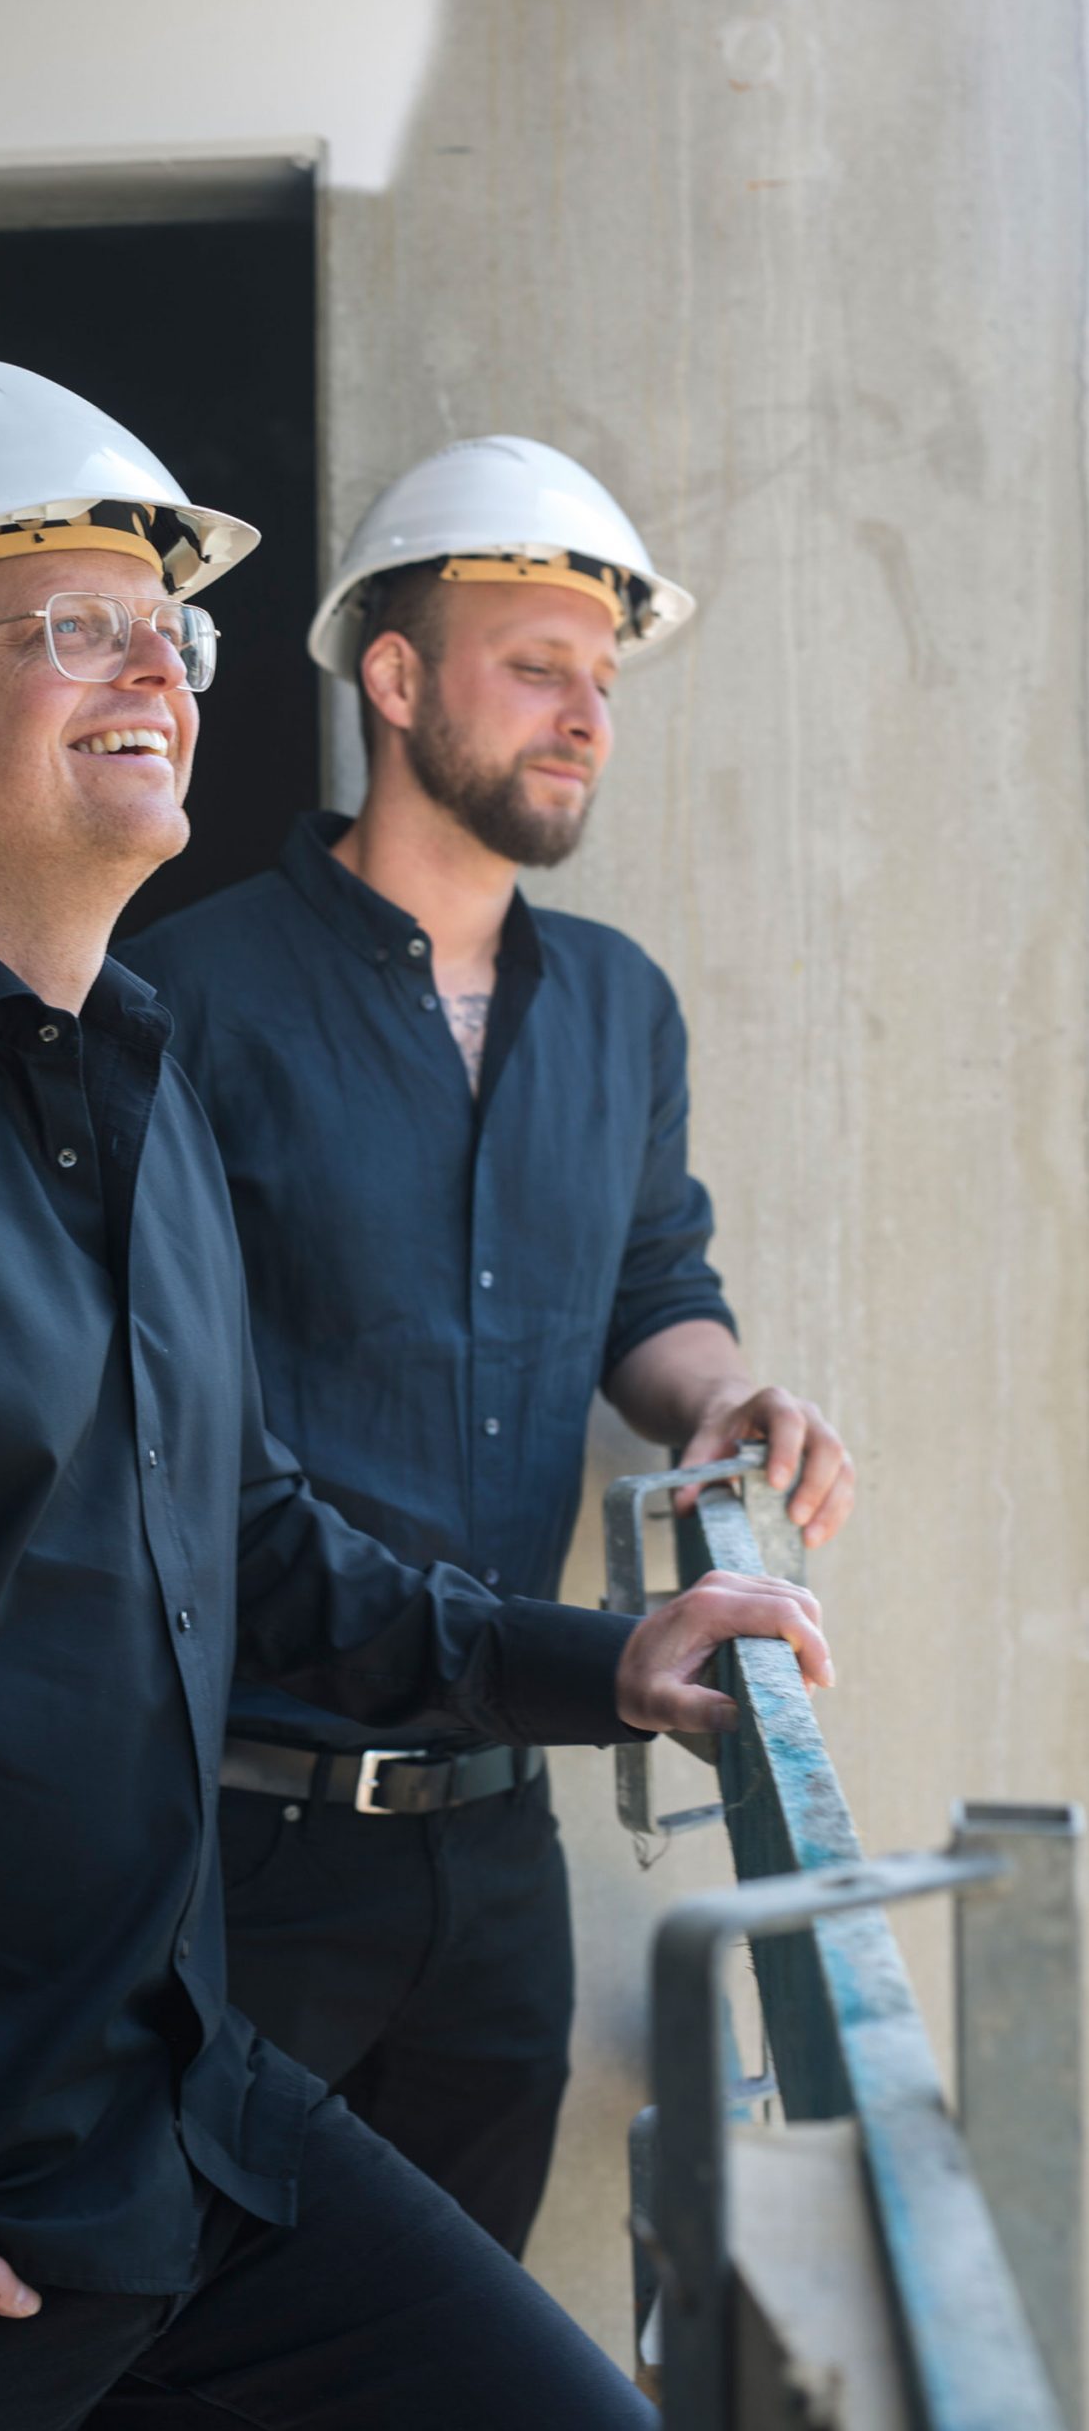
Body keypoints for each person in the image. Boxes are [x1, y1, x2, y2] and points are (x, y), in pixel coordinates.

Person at [0, 366, 832, 2431]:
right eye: (69, 626)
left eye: (169, 628)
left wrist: (611, 1661)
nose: (157, 670)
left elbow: (245, 1537)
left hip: (182, 2129)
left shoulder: (133, 1091)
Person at [122, 434, 855, 2262]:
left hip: (502, 1839)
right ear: (392, 677)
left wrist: (727, 1397)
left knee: (458, 2354)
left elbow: (645, 1290)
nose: (588, 716)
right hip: (240, 1847)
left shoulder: (618, 1003)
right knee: (201, 2354)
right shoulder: (184, 999)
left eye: (601, 682)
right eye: (537, 666)